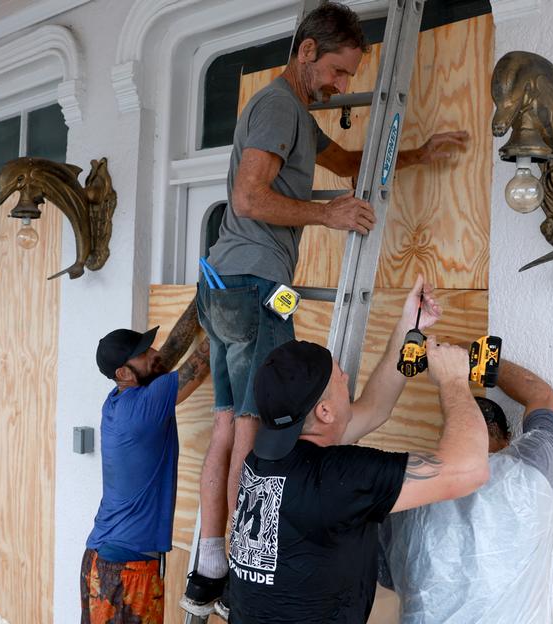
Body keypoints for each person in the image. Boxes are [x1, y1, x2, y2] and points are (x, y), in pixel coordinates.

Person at [185, 1, 470, 613]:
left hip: (226, 285)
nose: (344, 88)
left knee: (231, 422)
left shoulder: (292, 114)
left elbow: (346, 165)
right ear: (308, 52)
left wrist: (420, 153)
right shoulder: (277, 106)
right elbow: (249, 197)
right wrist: (327, 214)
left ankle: (210, 561)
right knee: (256, 431)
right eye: (340, 72)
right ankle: (244, 557)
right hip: (257, 284)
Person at [222, 276, 490, 623]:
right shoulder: (336, 477)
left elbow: (375, 408)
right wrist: (454, 380)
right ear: (324, 412)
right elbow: (469, 469)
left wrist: (411, 327)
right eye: (340, 378)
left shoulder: (264, 458)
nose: (347, 378)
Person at [378, 358, 553, 623]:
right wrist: (472, 357)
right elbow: (541, 394)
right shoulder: (531, 473)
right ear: (506, 436)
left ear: (450, 436)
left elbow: (387, 572)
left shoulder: (415, 492)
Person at [79, 307, 210, 624]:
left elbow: (171, 350)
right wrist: (236, 303)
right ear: (123, 372)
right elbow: (203, 360)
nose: (153, 352)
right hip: (130, 570)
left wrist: (200, 301)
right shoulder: (146, 406)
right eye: (142, 352)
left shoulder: (119, 398)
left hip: (101, 559)